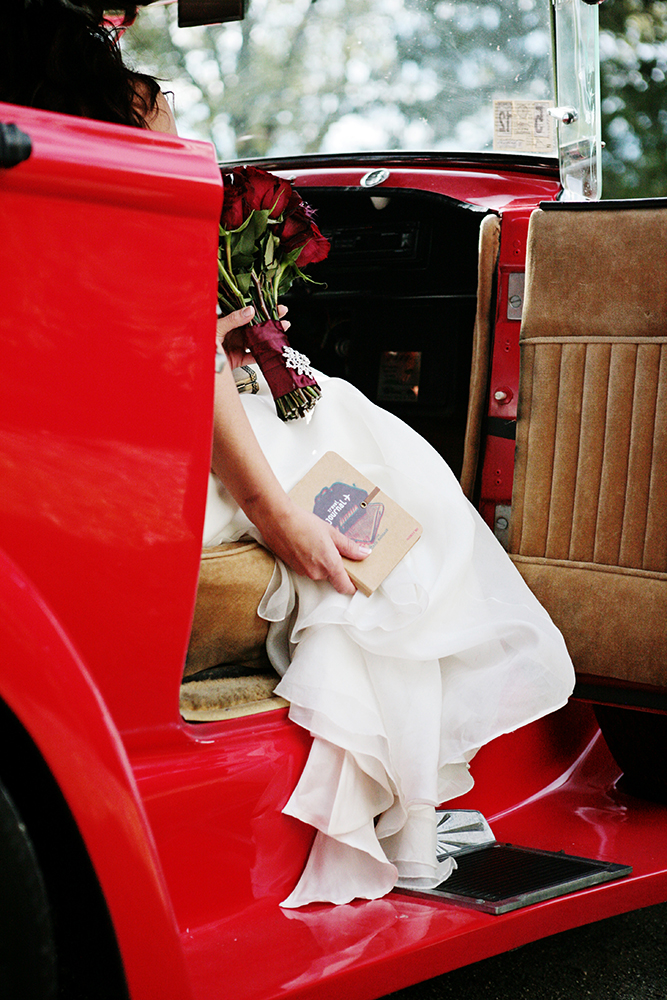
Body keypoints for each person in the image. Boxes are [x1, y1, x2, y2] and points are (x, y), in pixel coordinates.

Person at [6, 1, 576, 908]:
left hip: (67, 453)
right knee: (386, 496)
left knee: (354, 452)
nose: (158, 104)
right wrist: (280, 515)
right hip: (164, 475)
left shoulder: (29, 194)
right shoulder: (109, 185)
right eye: (140, 86)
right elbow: (177, 359)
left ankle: (419, 771)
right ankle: (419, 791)